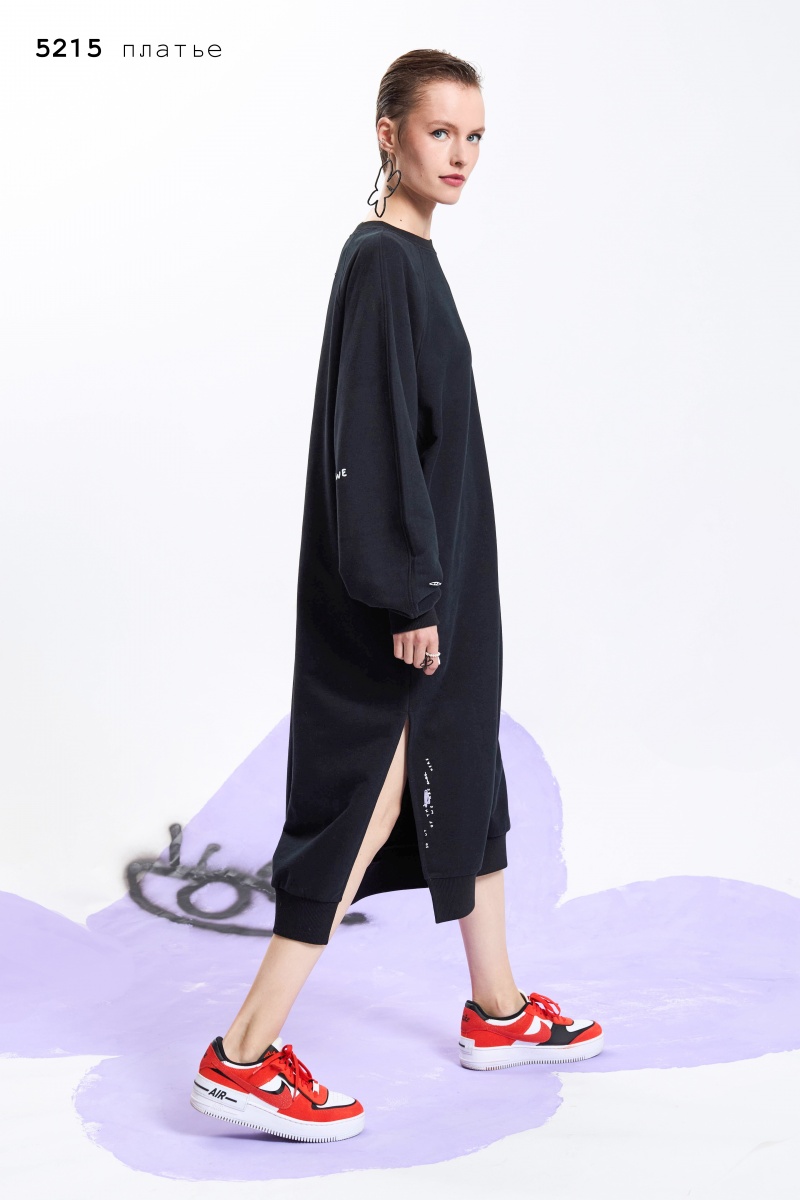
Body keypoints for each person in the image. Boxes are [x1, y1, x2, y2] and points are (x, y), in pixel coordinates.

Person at [189, 48, 603, 1144]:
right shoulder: (380, 261)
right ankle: (243, 1053)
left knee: (470, 773)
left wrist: (442, 587)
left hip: (447, 581)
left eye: (475, 137)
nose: (460, 155)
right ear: (390, 134)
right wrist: (410, 594)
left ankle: (498, 1010)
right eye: (439, 132)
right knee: (366, 803)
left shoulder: (414, 257)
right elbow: (367, 445)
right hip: (404, 594)